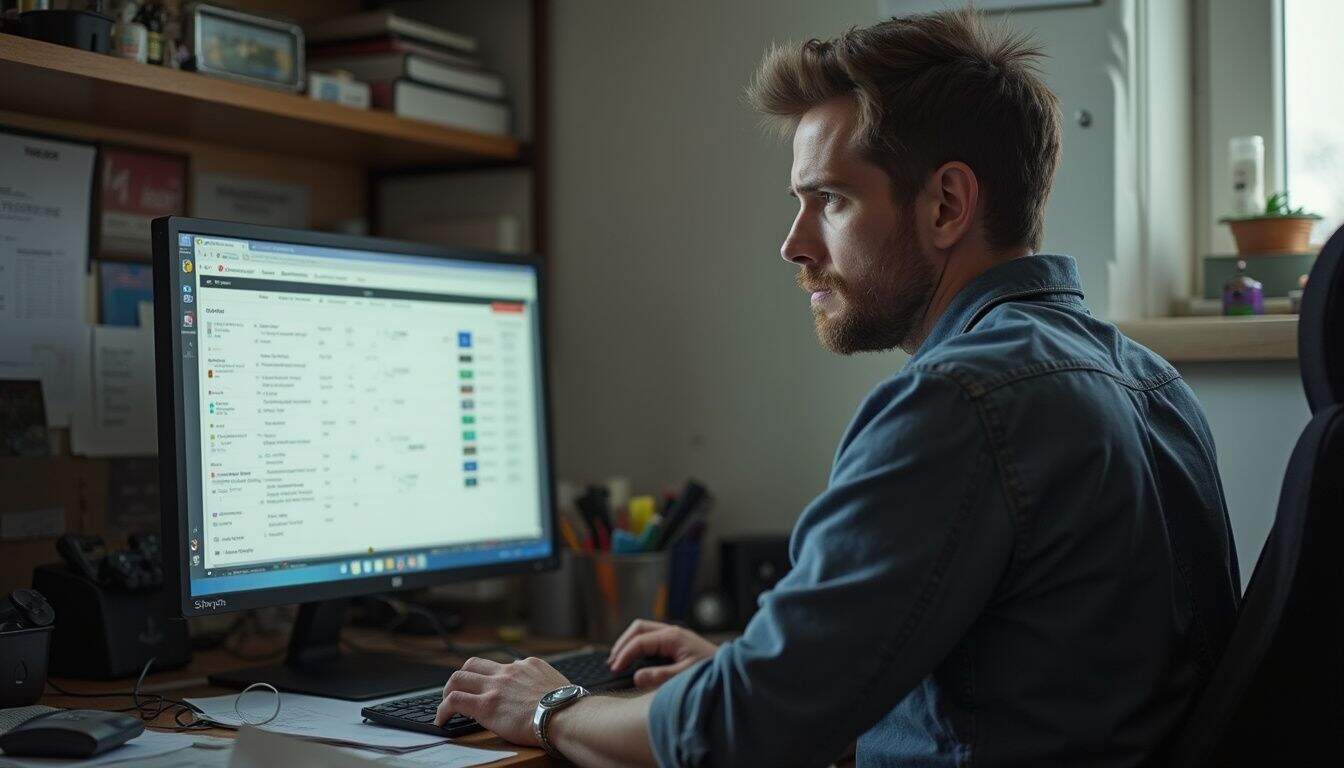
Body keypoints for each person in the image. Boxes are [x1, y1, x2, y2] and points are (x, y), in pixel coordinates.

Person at [434, 9, 1240, 767]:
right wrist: (759, 670)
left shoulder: (960, 399)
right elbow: (1034, 686)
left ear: (947, 205)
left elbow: (740, 735)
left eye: (831, 199)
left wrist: (553, 707)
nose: (794, 244)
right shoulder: (1151, 383)